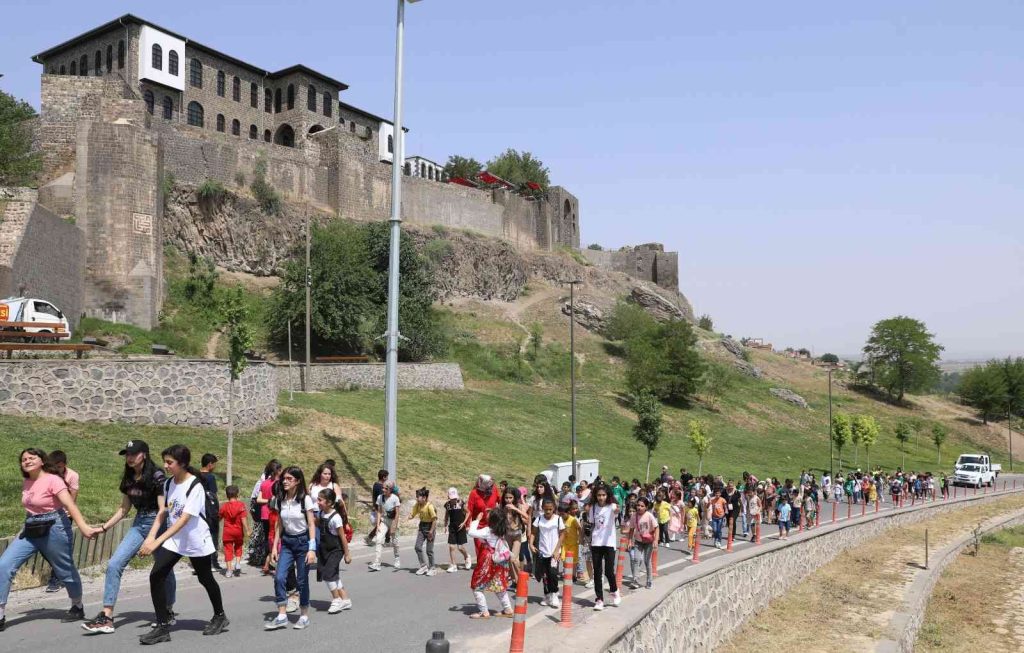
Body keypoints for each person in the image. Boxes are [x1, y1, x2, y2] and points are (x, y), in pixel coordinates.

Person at [81, 440, 176, 635]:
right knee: (114, 564)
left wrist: (151, 538)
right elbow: (124, 508)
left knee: (163, 568)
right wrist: (103, 528)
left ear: (144, 455)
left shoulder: (157, 476)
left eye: (133, 453)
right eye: (127, 454)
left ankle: (167, 609)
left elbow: (162, 511)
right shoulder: (128, 477)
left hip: (158, 524)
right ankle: (107, 617)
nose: (129, 457)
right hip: (139, 523)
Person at [0, 448, 98, 633]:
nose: (27, 461)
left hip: (55, 526)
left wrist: (84, 527)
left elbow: (69, 504)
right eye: (23, 459)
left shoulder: (53, 479)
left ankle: (77, 605)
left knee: (64, 570)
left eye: (31, 457)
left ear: (42, 460)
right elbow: (31, 507)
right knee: (4, 564)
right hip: (31, 528)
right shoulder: (27, 481)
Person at [138, 444, 228, 644]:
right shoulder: (169, 484)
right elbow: (164, 512)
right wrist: (150, 537)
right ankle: (162, 627)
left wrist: (157, 542)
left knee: (205, 579)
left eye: (169, 462)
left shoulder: (195, 486)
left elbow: (184, 519)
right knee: (156, 575)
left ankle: (220, 615)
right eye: (165, 462)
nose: (166, 466)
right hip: (176, 540)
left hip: (196, 540)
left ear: (183, 463)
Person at [264, 466, 317, 631]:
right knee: (279, 577)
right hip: (287, 542)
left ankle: (304, 615)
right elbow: (279, 524)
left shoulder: (304, 499)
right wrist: (274, 547)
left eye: (289, 479)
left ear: (298, 481)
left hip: (302, 543)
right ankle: (281, 615)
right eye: (284, 478)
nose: (285, 481)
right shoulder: (280, 499)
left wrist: (312, 548)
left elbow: (311, 524)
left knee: (302, 581)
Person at [44, 450, 80, 593]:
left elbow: (72, 498)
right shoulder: (46, 474)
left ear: (64, 465)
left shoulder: (72, 475)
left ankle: (55, 579)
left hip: (63, 515)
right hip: (46, 515)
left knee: (59, 547)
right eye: (54, 466)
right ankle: (63, 572)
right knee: (44, 548)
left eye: (59, 467)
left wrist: (68, 514)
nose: (56, 469)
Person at [467, 510, 513, 619]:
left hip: (487, 560)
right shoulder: (502, 531)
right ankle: (508, 609)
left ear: (492, 520)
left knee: (477, 586)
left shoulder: (488, 531)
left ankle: (484, 611)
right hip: (498, 562)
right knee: (499, 585)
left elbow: (471, 532)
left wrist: (477, 520)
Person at [314, 488, 353, 613]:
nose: (317, 502)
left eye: (320, 500)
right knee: (334, 575)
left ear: (329, 502)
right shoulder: (320, 513)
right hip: (324, 549)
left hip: (336, 550)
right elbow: (315, 523)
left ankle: (336, 600)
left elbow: (342, 537)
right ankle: (345, 600)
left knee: (328, 574)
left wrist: (347, 554)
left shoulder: (336, 518)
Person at [587, 484, 621, 610]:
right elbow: (592, 524)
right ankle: (599, 599)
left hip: (609, 543)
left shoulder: (612, 507)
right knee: (597, 573)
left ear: (607, 496)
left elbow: (617, 510)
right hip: (596, 543)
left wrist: (618, 510)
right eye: (599, 495)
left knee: (608, 571)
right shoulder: (593, 508)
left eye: (603, 495)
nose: (601, 497)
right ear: (596, 496)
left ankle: (614, 590)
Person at [530, 497, 565, 608]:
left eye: (550, 509)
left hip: (554, 552)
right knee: (544, 575)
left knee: (553, 574)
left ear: (554, 508)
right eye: (546, 509)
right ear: (543, 509)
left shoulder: (558, 519)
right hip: (542, 552)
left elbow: (562, 535)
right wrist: (531, 544)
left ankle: (554, 594)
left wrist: (556, 550)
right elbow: (533, 533)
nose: (548, 511)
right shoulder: (539, 519)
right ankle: (547, 595)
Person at [464, 475, 499, 562]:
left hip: (492, 525)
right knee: (480, 550)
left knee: (493, 549)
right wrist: (468, 525)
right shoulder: (474, 493)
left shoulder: (494, 489)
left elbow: (501, 501)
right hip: (479, 525)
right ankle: (482, 567)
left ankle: (492, 567)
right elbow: (469, 510)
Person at [256, 461, 283, 576]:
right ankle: (274, 562)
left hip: (265, 514)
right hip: (276, 514)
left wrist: (267, 501)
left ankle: (267, 563)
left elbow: (258, 499)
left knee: (269, 539)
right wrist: (272, 501)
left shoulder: (264, 483)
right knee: (277, 538)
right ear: (278, 471)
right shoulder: (280, 484)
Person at [369, 481, 401, 571]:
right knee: (379, 539)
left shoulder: (395, 498)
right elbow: (379, 511)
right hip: (384, 520)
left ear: (390, 490)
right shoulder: (380, 497)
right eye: (382, 488)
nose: (383, 490)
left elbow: (397, 513)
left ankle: (397, 559)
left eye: (385, 488)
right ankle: (377, 563)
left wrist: (394, 526)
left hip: (393, 521)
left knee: (395, 542)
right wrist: (378, 525)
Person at [627, 497, 658, 589]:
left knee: (647, 561)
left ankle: (649, 580)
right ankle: (635, 580)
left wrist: (656, 540)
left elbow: (656, 527)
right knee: (636, 560)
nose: (639, 507)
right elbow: (631, 529)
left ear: (646, 507)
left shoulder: (649, 515)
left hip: (648, 542)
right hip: (638, 541)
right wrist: (629, 541)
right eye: (638, 505)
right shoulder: (634, 516)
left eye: (642, 506)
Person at [219, 485, 249, 578]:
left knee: (228, 550)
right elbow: (243, 519)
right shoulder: (241, 505)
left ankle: (229, 570)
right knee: (238, 547)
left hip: (227, 531)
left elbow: (219, 518)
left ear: (226, 495)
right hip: (238, 531)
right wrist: (247, 529)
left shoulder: (224, 506)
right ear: (237, 494)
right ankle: (238, 563)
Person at [199, 453, 223, 571]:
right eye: (214, 465)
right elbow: (214, 494)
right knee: (213, 535)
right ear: (210, 464)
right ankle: (214, 562)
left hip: (198, 510)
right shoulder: (210, 477)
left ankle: (200, 563)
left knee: (201, 535)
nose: (215, 467)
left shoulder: (195, 475)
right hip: (210, 510)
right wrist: (218, 510)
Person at [409, 487, 438, 576]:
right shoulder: (417, 505)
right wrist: (409, 517)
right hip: (422, 527)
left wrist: (431, 531)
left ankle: (432, 568)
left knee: (429, 550)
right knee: (417, 547)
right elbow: (412, 514)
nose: (417, 498)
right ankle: (423, 566)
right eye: (416, 496)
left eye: (418, 497)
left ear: (424, 498)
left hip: (430, 527)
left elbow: (434, 520)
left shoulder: (429, 506)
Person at [501, 488, 528, 581]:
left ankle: (522, 577)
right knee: (509, 558)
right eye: (506, 498)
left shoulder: (518, 506)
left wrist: (515, 509)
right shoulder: (503, 507)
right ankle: (515, 580)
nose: (508, 500)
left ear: (514, 498)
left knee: (513, 559)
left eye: (510, 498)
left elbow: (527, 517)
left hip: (517, 535)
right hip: (507, 535)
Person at [444, 487, 472, 572]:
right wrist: (445, 525)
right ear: (448, 497)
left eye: (455, 498)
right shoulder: (447, 505)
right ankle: (453, 565)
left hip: (460, 527)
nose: (453, 500)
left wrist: (464, 523)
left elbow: (468, 512)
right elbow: (446, 515)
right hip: (452, 527)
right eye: (452, 498)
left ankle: (467, 556)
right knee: (451, 546)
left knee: (460, 547)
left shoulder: (460, 503)